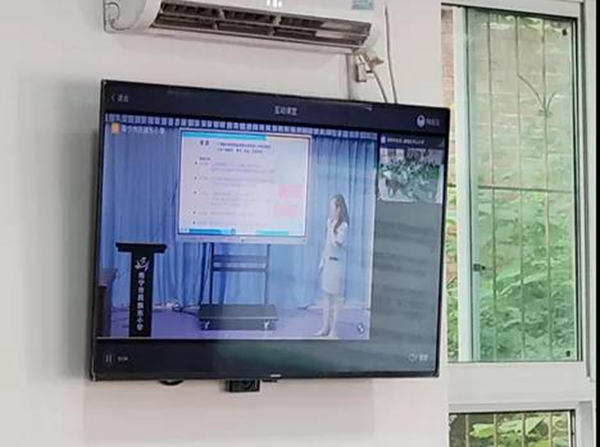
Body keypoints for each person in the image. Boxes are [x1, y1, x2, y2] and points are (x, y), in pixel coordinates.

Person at [316, 195, 349, 338]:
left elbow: (337, 244)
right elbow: (327, 245)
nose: (330, 210)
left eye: (332, 207)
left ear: (338, 209)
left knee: (335, 299)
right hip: (328, 264)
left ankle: (334, 331)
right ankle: (325, 327)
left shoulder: (343, 226)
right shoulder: (330, 222)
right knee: (325, 297)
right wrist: (321, 262)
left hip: (336, 265)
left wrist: (330, 228)